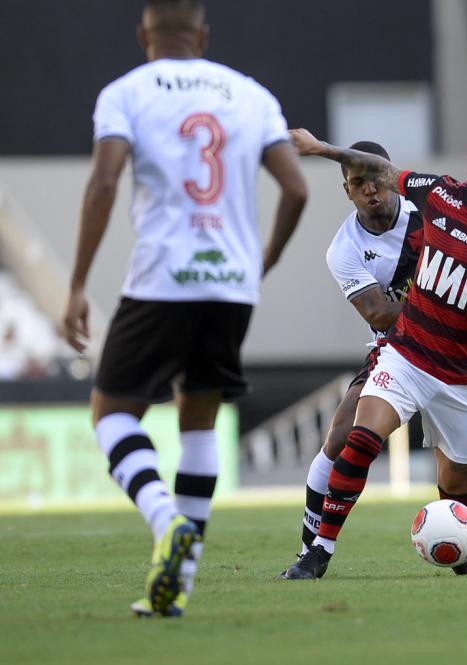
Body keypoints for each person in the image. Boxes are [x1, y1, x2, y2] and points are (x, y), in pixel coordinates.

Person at [61, 0, 307, 617]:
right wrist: (262, 260)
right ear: (203, 33)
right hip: (230, 287)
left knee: (111, 411)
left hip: (162, 279)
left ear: (143, 31)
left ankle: (165, 520)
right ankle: (179, 585)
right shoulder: (251, 94)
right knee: (197, 421)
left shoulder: (126, 93)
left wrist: (76, 284)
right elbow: (297, 188)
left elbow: (105, 183)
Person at [281, 140, 467, 578]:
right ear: (347, 191)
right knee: (344, 437)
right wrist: (446, 307)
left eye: (373, 182)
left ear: (386, 179)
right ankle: (313, 548)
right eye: (357, 185)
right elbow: (377, 312)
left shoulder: (430, 203)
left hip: (460, 350)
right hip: (399, 343)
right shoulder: (345, 248)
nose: (370, 193)